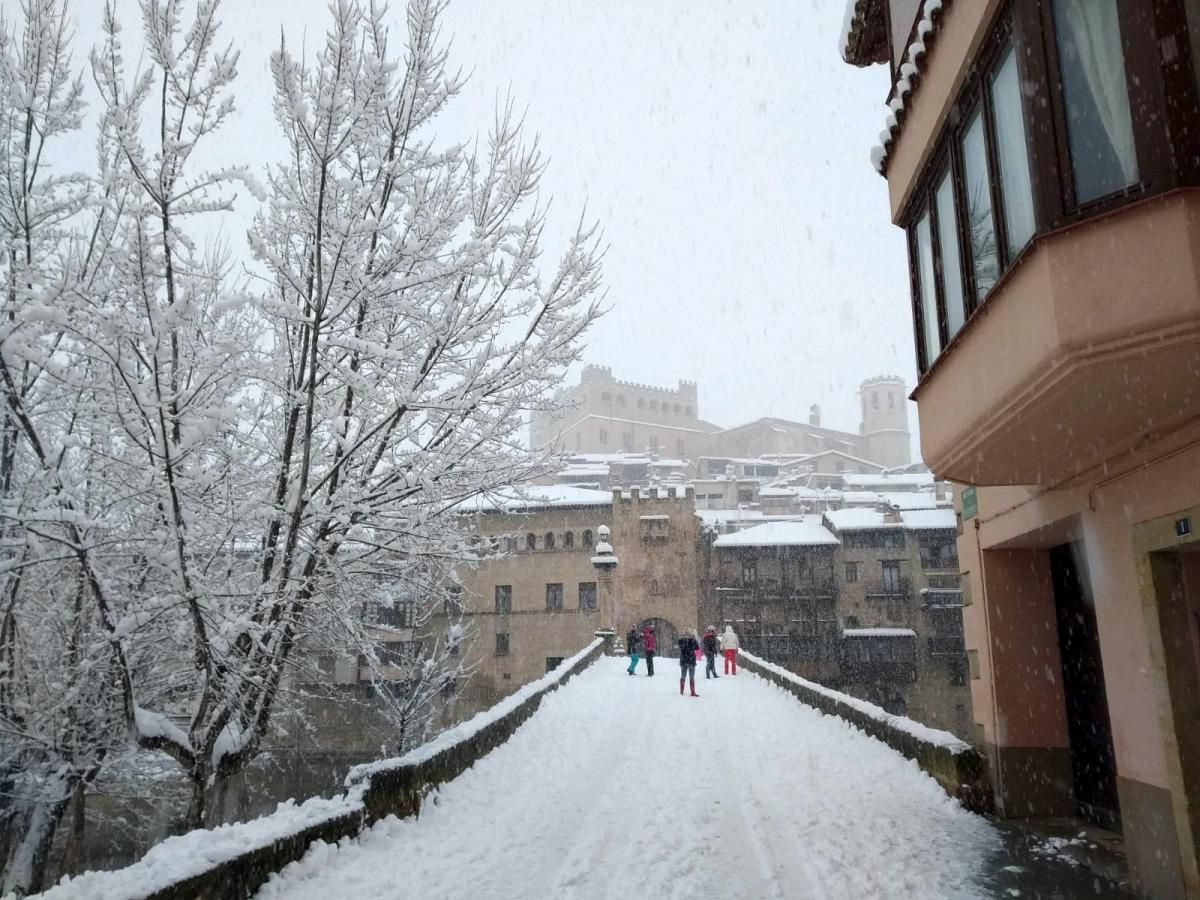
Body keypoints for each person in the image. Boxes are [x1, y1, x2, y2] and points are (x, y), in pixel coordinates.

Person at [677, 628, 700, 697]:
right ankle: (692, 692)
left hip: (683, 660)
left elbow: (681, 647)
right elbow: (697, 648)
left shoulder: (681, 640)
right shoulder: (693, 640)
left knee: (683, 676)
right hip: (691, 660)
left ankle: (681, 691)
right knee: (691, 677)